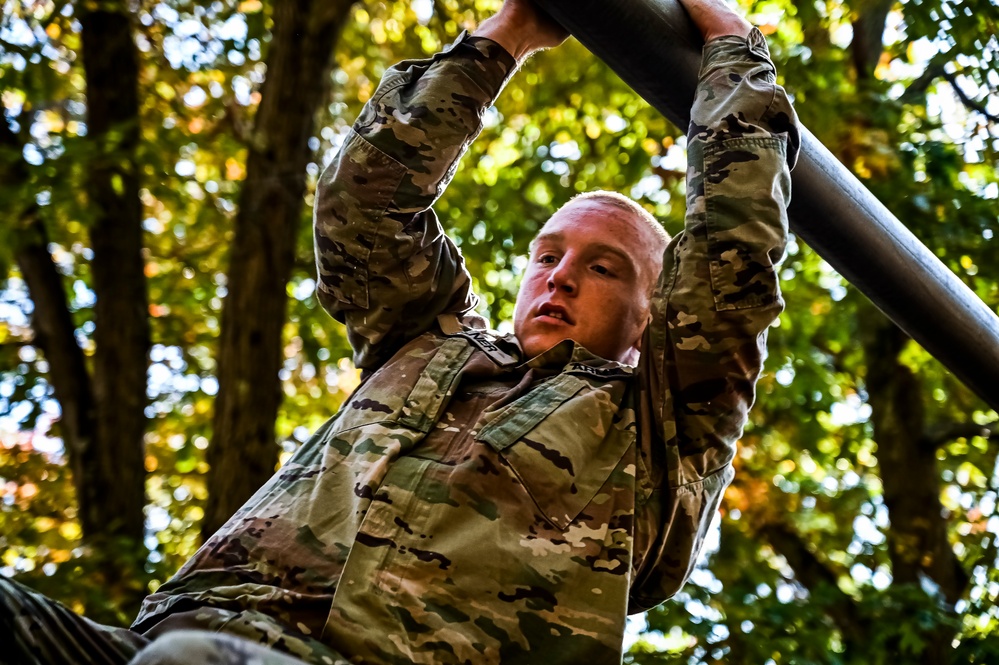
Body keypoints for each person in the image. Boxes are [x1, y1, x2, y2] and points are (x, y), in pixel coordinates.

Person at [1, 0, 799, 663]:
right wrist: (508, 33)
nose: (558, 276)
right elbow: (364, 206)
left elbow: (730, 252)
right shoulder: (430, 342)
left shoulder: (660, 428)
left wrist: (733, 50)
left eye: (602, 267)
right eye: (547, 255)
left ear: (651, 316)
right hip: (178, 634)